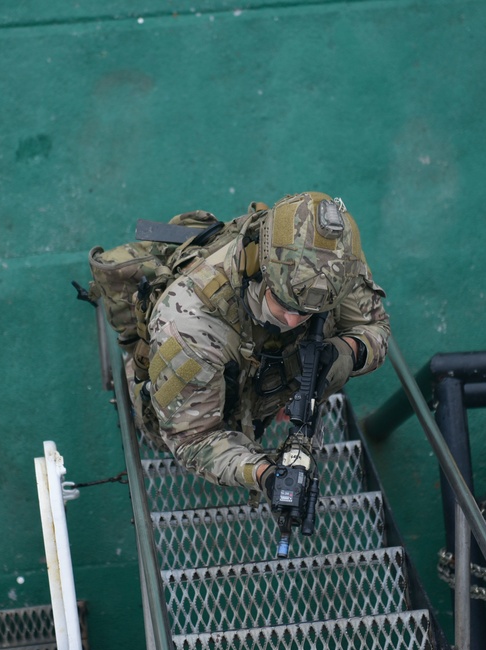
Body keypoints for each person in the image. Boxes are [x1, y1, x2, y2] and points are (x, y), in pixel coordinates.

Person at [129, 191, 390, 500]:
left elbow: (374, 327)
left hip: (259, 379)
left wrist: (347, 352)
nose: (294, 322)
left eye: (307, 313)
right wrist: (265, 474)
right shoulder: (190, 326)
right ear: (260, 270)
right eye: (283, 305)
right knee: (159, 435)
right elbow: (193, 440)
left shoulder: (334, 264)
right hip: (200, 400)